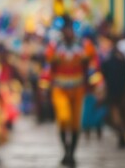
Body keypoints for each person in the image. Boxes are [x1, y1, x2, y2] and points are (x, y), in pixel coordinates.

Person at [46, 15, 95, 167]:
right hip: (60, 88)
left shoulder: (84, 45)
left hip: (78, 89)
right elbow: (48, 67)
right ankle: (65, 150)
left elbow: (92, 65)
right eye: (65, 29)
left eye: (70, 28)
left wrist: (95, 82)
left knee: (75, 124)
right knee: (63, 118)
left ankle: (71, 154)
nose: (68, 32)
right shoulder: (54, 46)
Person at [100, 34, 125, 148]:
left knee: (115, 112)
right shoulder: (121, 57)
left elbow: (104, 74)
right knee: (121, 111)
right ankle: (123, 130)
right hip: (122, 87)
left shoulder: (107, 57)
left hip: (113, 88)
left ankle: (121, 130)